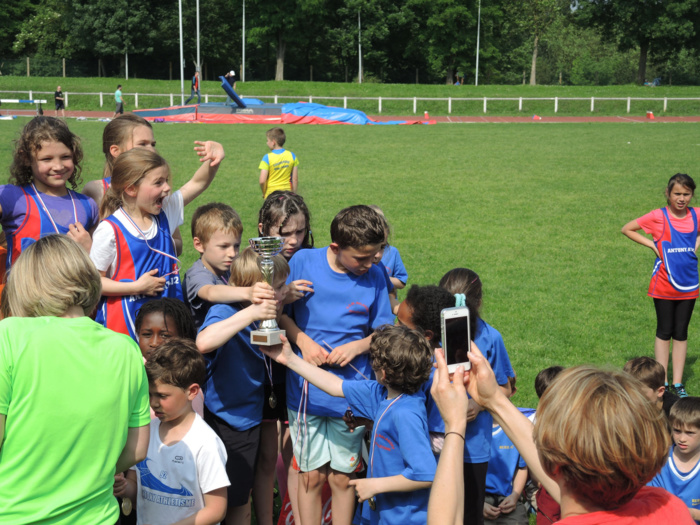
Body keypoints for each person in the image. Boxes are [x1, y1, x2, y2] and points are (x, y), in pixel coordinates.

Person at [436, 343, 694, 525]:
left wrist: (455, 426)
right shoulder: (669, 509)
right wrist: (493, 399)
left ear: (551, 465)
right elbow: (581, 496)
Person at [0, 234, 150, 524]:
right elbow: (138, 447)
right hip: (99, 515)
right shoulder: (126, 349)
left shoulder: (9, 335)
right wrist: (88, 470)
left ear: (26, 284)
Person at [279, 205, 394, 525]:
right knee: (311, 477)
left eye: (374, 255)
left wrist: (357, 346)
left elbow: (384, 332)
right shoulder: (302, 261)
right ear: (335, 248)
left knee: (343, 478)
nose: (369, 263)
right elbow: (279, 313)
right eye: (361, 258)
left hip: (352, 396)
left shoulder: (376, 274)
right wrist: (302, 341)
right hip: (306, 392)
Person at [260, 325, 437, 525]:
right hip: (378, 512)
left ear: (384, 373)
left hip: (403, 518)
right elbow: (335, 386)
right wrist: (290, 359)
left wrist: (375, 486)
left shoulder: (407, 414)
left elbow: (425, 474)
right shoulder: (380, 392)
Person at [90, 144, 223, 340]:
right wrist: (136, 287)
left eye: (166, 180)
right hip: (124, 333)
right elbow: (94, 283)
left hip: (168, 329)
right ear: (131, 188)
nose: (168, 188)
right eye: (158, 182)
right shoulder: (110, 230)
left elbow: (196, 183)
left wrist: (214, 160)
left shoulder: (165, 214)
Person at [196, 247, 287, 525]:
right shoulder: (226, 310)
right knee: (232, 502)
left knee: (242, 494)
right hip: (227, 421)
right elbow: (203, 342)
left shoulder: (268, 316)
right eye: (280, 287)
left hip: (250, 416)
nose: (285, 294)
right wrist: (251, 314)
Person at [119, 338, 230, 525]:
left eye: (162, 396)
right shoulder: (144, 434)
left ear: (192, 391)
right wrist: (123, 487)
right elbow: (136, 489)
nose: (153, 403)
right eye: (150, 394)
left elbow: (216, 510)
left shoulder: (206, 443)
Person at [256, 190, 315, 522]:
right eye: (285, 232)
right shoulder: (256, 262)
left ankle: (294, 513)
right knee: (268, 455)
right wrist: (281, 296)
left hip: (301, 365)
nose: (293, 240)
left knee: (298, 451)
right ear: (264, 229)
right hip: (264, 366)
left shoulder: (312, 260)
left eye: (300, 231)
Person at [439, 267, 515, 525]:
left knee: (469, 513)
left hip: (473, 448)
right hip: (433, 440)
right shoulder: (430, 335)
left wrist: (478, 405)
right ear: (480, 301)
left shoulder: (491, 337)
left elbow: (505, 388)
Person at [622, 173, 700, 397]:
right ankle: (662, 381)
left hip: (689, 283)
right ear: (668, 194)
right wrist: (652, 245)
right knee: (665, 331)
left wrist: (693, 246)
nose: (682, 198)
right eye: (677, 193)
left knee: (682, 332)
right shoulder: (658, 216)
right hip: (664, 283)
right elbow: (627, 228)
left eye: (686, 194)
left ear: (692, 194)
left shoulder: (696, 215)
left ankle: (678, 383)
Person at [0, 116, 98, 269]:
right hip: (24, 292)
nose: (58, 166)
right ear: (26, 158)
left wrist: (90, 249)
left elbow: (100, 270)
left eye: (65, 157)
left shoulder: (88, 205)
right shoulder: (12, 198)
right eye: (47, 159)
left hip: (76, 292)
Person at [184, 202, 274, 330]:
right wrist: (248, 292)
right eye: (223, 246)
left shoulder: (230, 268)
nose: (232, 254)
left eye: (236, 245)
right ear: (199, 244)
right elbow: (210, 292)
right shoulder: (197, 274)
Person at [483, 375, 533, 525]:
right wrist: (477, 503)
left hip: (507, 497)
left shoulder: (518, 427)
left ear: (513, 391)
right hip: (477, 497)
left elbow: (522, 467)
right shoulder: (473, 427)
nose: (496, 391)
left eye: (502, 386)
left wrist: (515, 495)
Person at [649, 397, 700, 523]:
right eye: (677, 431)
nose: (682, 438)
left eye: (689, 433)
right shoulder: (659, 459)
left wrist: (692, 513)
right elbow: (647, 500)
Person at [532, 366, 564, 525]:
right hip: (549, 482)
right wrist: (539, 478)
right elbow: (533, 453)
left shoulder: (577, 417)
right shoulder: (539, 421)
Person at [259, 128, 299, 198]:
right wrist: (294, 194)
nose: (267, 143)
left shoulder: (267, 158)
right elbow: (295, 179)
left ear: (273, 142)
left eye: (267, 140)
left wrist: (264, 192)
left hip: (271, 194)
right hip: (287, 194)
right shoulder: (292, 156)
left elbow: (262, 181)